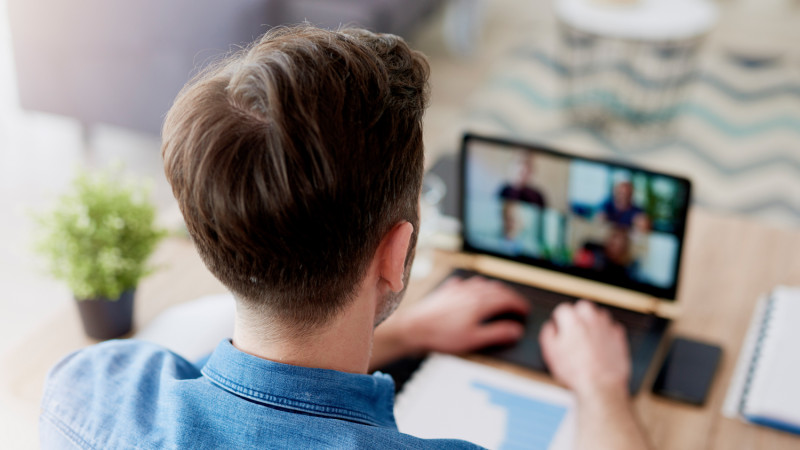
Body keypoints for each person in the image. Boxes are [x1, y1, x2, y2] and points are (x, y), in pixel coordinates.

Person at [39, 25, 650, 449]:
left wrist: (409, 333)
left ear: (209, 239)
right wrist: (601, 390)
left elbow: (230, 407)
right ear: (396, 253)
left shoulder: (87, 389)